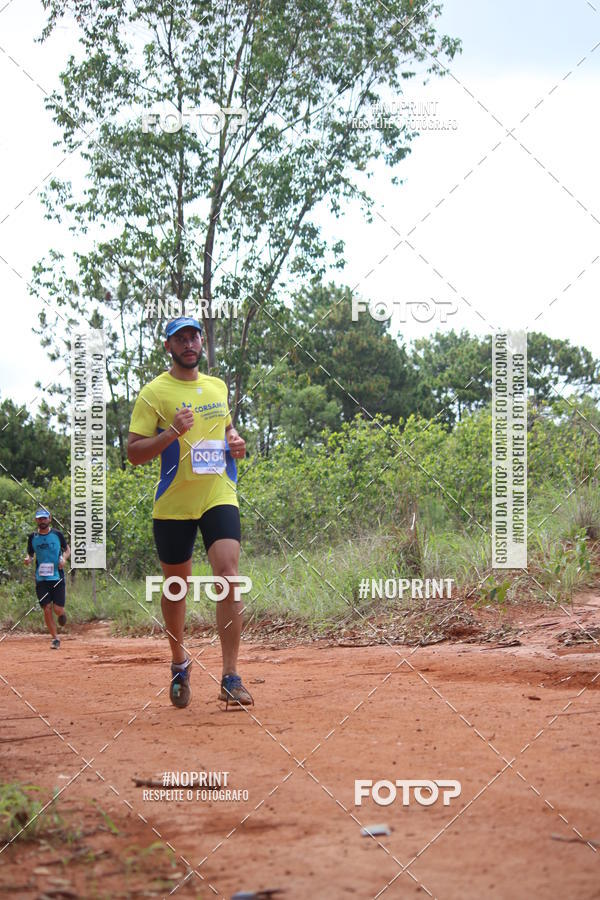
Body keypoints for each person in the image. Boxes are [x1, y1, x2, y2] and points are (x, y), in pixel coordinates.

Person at [127, 316, 252, 710]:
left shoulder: (216, 387)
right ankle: (180, 663)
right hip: (173, 504)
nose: (188, 344)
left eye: (194, 337)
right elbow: (134, 453)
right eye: (180, 338)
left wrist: (234, 441)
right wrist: (170, 434)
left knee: (229, 576)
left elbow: (227, 430)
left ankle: (231, 676)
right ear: (168, 346)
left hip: (218, 494)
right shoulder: (154, 393)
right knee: (175, 588)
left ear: (202, 343)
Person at [24, 509, 71, 649]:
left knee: (57, 609)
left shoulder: (57, 534)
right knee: (47, 608)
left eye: (44, 519)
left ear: (49, 519)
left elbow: (67, 549)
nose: (42, 521)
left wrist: (63, 558)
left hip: (57, 577)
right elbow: (31, 554)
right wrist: (28, 559)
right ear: (36, 520)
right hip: (41, 579)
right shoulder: (33, 537)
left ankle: (62, 614)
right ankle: (55, 639)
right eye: (39, 519)